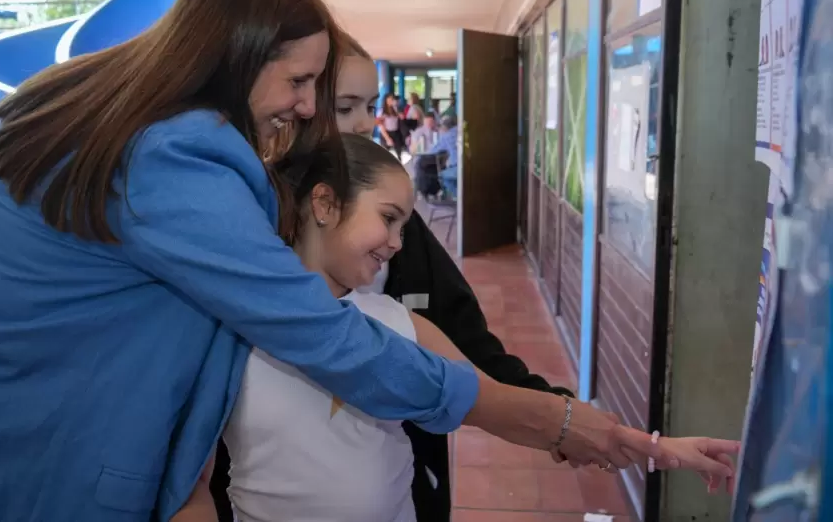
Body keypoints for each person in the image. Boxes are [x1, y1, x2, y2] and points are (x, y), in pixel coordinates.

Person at [0, 0, 494, 522]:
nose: (308, 107)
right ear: (234, 59)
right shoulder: (170, 154)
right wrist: (539, 418)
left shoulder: (99, 113)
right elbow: (316, 331)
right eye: (300, 82)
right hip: (30, 464)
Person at [206, 33, 736, 522]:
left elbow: (483, 371)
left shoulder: (400, 278)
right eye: (344, 107)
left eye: (371, 106)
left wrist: (611, 436)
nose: (366, 124)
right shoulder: (233, 276)